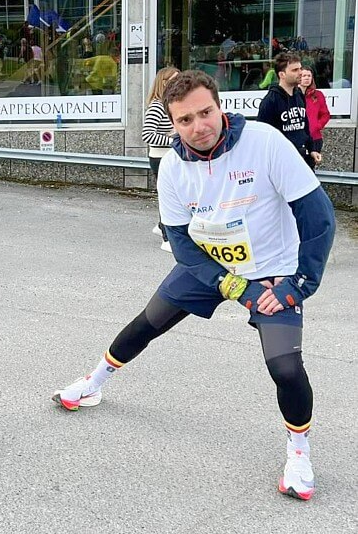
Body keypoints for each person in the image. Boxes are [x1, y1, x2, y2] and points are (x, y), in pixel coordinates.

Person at [53, 70, 335, 502]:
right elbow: (181, 242)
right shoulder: (171, 166)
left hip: (275, 272)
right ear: (172, 122)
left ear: (219, 106)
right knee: (147, 323)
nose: (199, 126)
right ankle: (93, 382)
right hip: (209, 266)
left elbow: (319, 219)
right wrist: (233, 286)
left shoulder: (264, 142)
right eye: (185, 120)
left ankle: (299, 451)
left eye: (205, 113)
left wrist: (298, 284)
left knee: (285, 367)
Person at [140, 66, 180, 252]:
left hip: (168, 157)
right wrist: (172, 140)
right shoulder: (156, 106)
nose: (177, 83)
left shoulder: (169, 104)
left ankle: (161, 226)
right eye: (172, 80)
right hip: (160, 158)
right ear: (162, 83)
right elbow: (147, 135)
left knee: (171, 195)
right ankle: (167, 238)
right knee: (169, 197)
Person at [257, 52, 315, 168]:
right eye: (294, 70)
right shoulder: (270, 101)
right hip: (282, 162)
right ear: (282, 74)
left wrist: (312, 149)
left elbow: (305, 126)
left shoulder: (299, 95)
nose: (300, 73)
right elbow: (262, 136)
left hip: (303, 157)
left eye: (300, 69)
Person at [299, 66, 330, 170]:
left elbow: (325, 114)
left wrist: (317, 125)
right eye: (304, 75)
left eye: (309, 76)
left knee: (310, 168)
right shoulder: (293, 95)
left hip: (315, 138)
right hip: (299, 139)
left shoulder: (318, 95)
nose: (307, 78)